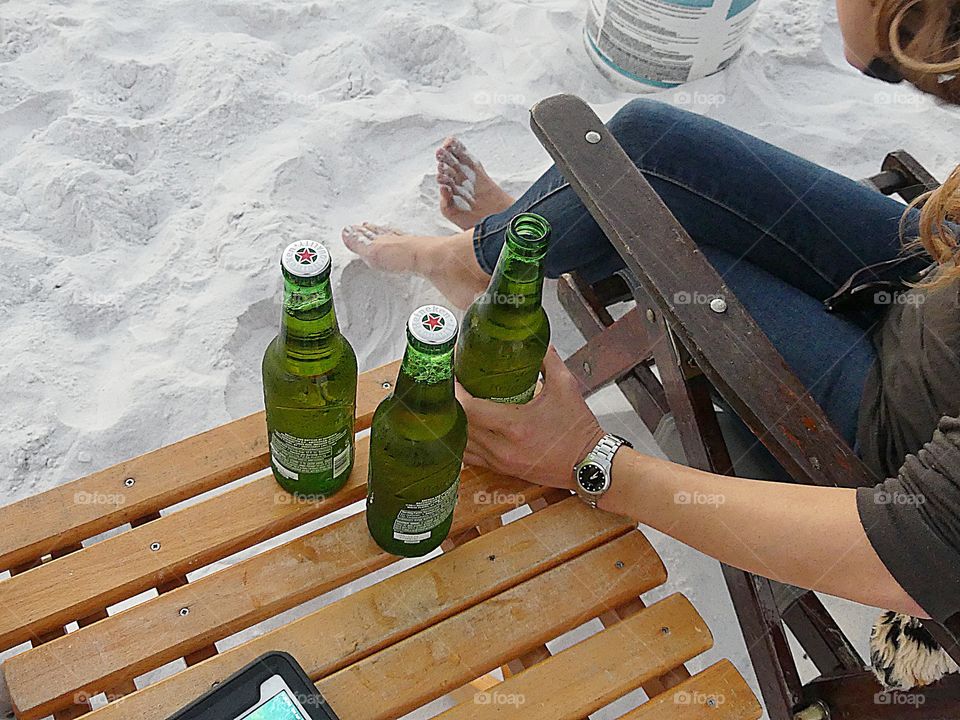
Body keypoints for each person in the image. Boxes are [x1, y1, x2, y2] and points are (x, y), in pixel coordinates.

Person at [340, 0, 960, 682]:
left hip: (896, 425)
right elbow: (866, 46)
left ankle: (509, 244)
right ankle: (480, 256)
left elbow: (915, 551)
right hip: (938, 278)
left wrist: (586, 457)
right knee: (644, 146)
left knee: (656, 230)